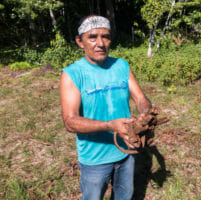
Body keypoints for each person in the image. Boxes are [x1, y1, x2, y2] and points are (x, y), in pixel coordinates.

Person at [59, 15, 152, 200]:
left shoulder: (121, 65)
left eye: (106, 37)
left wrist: (146, 113)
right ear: (80, 41)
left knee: (124, 196)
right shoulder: (72, 74)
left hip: (126, 150)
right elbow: (70, 121)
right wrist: (110, 125)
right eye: (92, 37)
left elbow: (140, 98)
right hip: (94, 158)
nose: (100, 43)